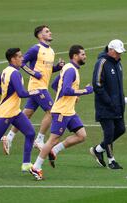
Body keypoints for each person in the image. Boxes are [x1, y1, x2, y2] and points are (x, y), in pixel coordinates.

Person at [29, 45, 93, 180]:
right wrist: (84, 91)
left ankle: (55, 150)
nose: (85, 56)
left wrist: (74, 97)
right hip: (62, 112)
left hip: (69, 111)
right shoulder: (71, 70)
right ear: (75, 56)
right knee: (52, 139)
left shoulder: (70, 69)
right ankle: (36, 167)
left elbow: (55, 85)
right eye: (82, 54)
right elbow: (65, 90)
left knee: (81, 135)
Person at [2, 25, 64, 154]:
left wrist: (57, 67)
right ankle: (39, 140)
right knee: (52, 111)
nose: (50, 32)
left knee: (27, 114)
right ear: (40, 35)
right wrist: (34, 73)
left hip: (41, 86)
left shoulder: (51, 51)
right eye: (47, 31)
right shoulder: (36, 49)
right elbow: (22, 63)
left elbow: (47, 69)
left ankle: (9, 137)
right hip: (37, 87)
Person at [90, 39, 126, 170]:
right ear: (110, 50)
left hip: (118, 106)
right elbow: (97, 85)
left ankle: (98, 150)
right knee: (109, 132)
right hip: (105, 107)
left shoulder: (118, 64)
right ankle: (112, 161)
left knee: (121, 129)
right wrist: (109, 102)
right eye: (117, 52)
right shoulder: (102, 63)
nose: (119, 55)